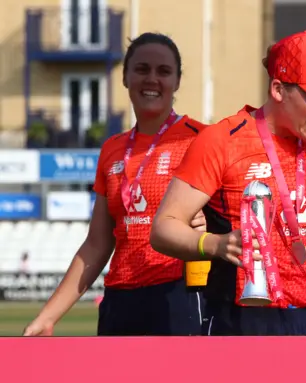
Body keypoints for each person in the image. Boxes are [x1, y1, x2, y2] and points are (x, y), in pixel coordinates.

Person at [150, 30, 306, 336]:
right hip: (242, 318)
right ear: (279, 89)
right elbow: (164, 226)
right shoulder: (221, 140)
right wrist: (214, 244)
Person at [23, 32, 208, 337]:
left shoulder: (200, 139)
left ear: (177, 82)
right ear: (124, 77)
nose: (152, 79)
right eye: (141, 69)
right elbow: (97, 244)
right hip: (119, 299)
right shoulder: (112, 149)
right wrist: (47, 317)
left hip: (179, 295)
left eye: (163, 72)